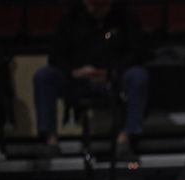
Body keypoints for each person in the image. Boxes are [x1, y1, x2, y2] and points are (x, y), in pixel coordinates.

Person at [32, 0, 149, 160]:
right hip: (77, 80)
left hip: (113, 79)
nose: (98, 9)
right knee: (44, 76)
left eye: (103, 5)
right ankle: (50, 141)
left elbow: (138, 52)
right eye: (94, 5)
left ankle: (125, 138)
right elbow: (56, 56)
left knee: (138, 75)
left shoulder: (126, 17)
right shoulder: (70, 18)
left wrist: (111, 73)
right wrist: (74, 72)